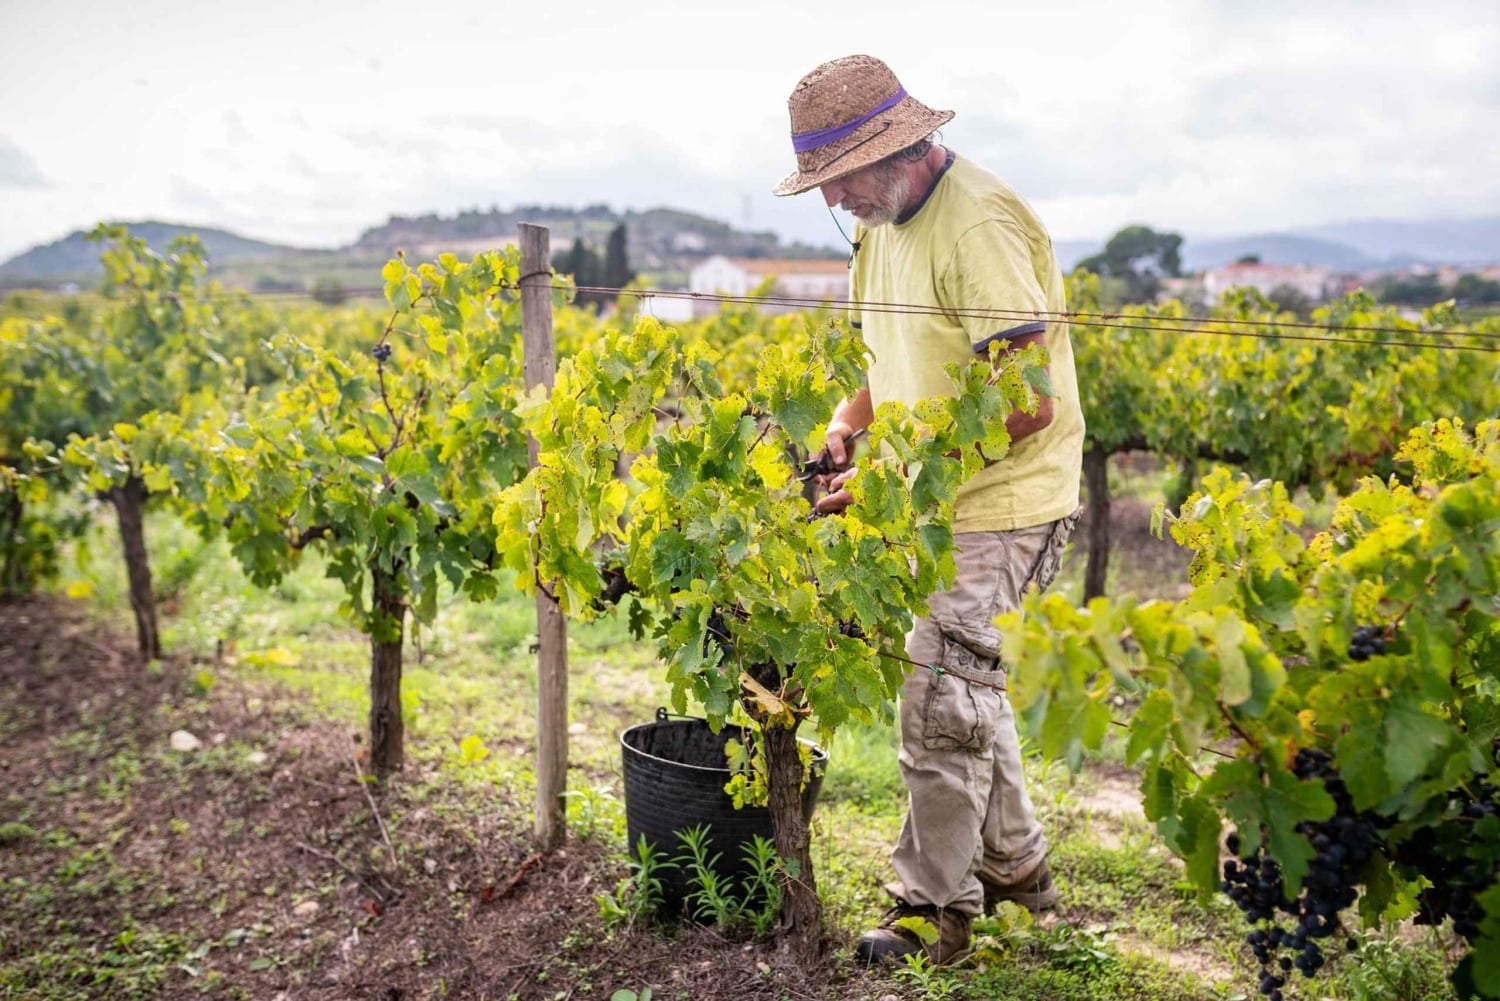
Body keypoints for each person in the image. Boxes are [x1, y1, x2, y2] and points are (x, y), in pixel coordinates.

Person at [773, 54, 1086, 966]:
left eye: (839, 182)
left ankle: (932, 909)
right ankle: (1018, 868)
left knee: (938, 694)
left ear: (896, 151)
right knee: (964, 683)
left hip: (1003, 498)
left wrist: (903, 476)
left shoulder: (977, 222)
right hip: (937, 495)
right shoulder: (879, 229)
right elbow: (888, 356)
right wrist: (846, 427)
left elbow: (1025, 402)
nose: (837, 202)